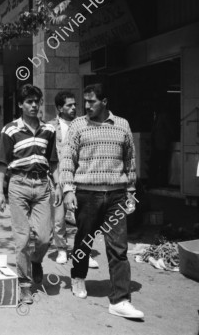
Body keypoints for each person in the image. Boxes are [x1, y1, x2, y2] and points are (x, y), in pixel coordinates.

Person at [61, 83, 144, 319]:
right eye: (84, 101)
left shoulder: (122, 125)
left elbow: (130, 160)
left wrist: (130, 191)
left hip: (117, 195)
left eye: (92, 101)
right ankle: (78, 277)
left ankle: (120, 300)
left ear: (105, 102)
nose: (86, 106)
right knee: (84, 240)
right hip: (87, 195)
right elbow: (68, 159)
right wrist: (68, 190)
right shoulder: (78, 125)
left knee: (119, 248)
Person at [0, 84, 58, 305]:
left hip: (42, 186)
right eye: (29, 102)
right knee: (21, 240)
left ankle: (36, 260)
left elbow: (53, 161)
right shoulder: (10, 130)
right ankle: (24, 285)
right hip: (18, 184)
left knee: (44, 237)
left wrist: (58, 186)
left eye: (36, 102)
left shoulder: (49, 130)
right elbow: (2, 163)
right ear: (20, 104)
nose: (33, 105)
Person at [47, 91, 100, 269]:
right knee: (59, 216)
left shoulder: (85, 124)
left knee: (85, 217)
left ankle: (85, 252)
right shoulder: (50, 127)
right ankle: (61, 248)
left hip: (82, 176)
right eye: (69, 105)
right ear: (60, 108)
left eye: (75, 105)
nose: (73, 108)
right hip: (59, 177)